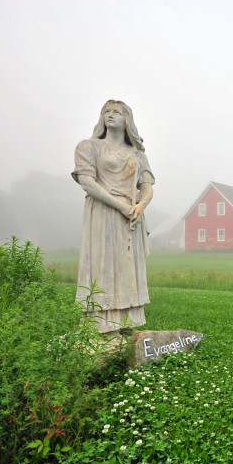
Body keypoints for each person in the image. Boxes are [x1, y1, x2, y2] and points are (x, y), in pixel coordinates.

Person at [72, 100, 154, 334]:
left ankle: (127, 323)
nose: (111, 115)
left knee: (128, 266)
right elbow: (87, 182)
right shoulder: (89, 147)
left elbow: (146, 186)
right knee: (102, 264)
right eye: (106, 111)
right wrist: (119, 205)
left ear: (127, 119)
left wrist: (140, 206)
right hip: (103, 212)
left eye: (117, 112)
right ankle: (100, 325)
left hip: (131, 216)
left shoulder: (138, 155)